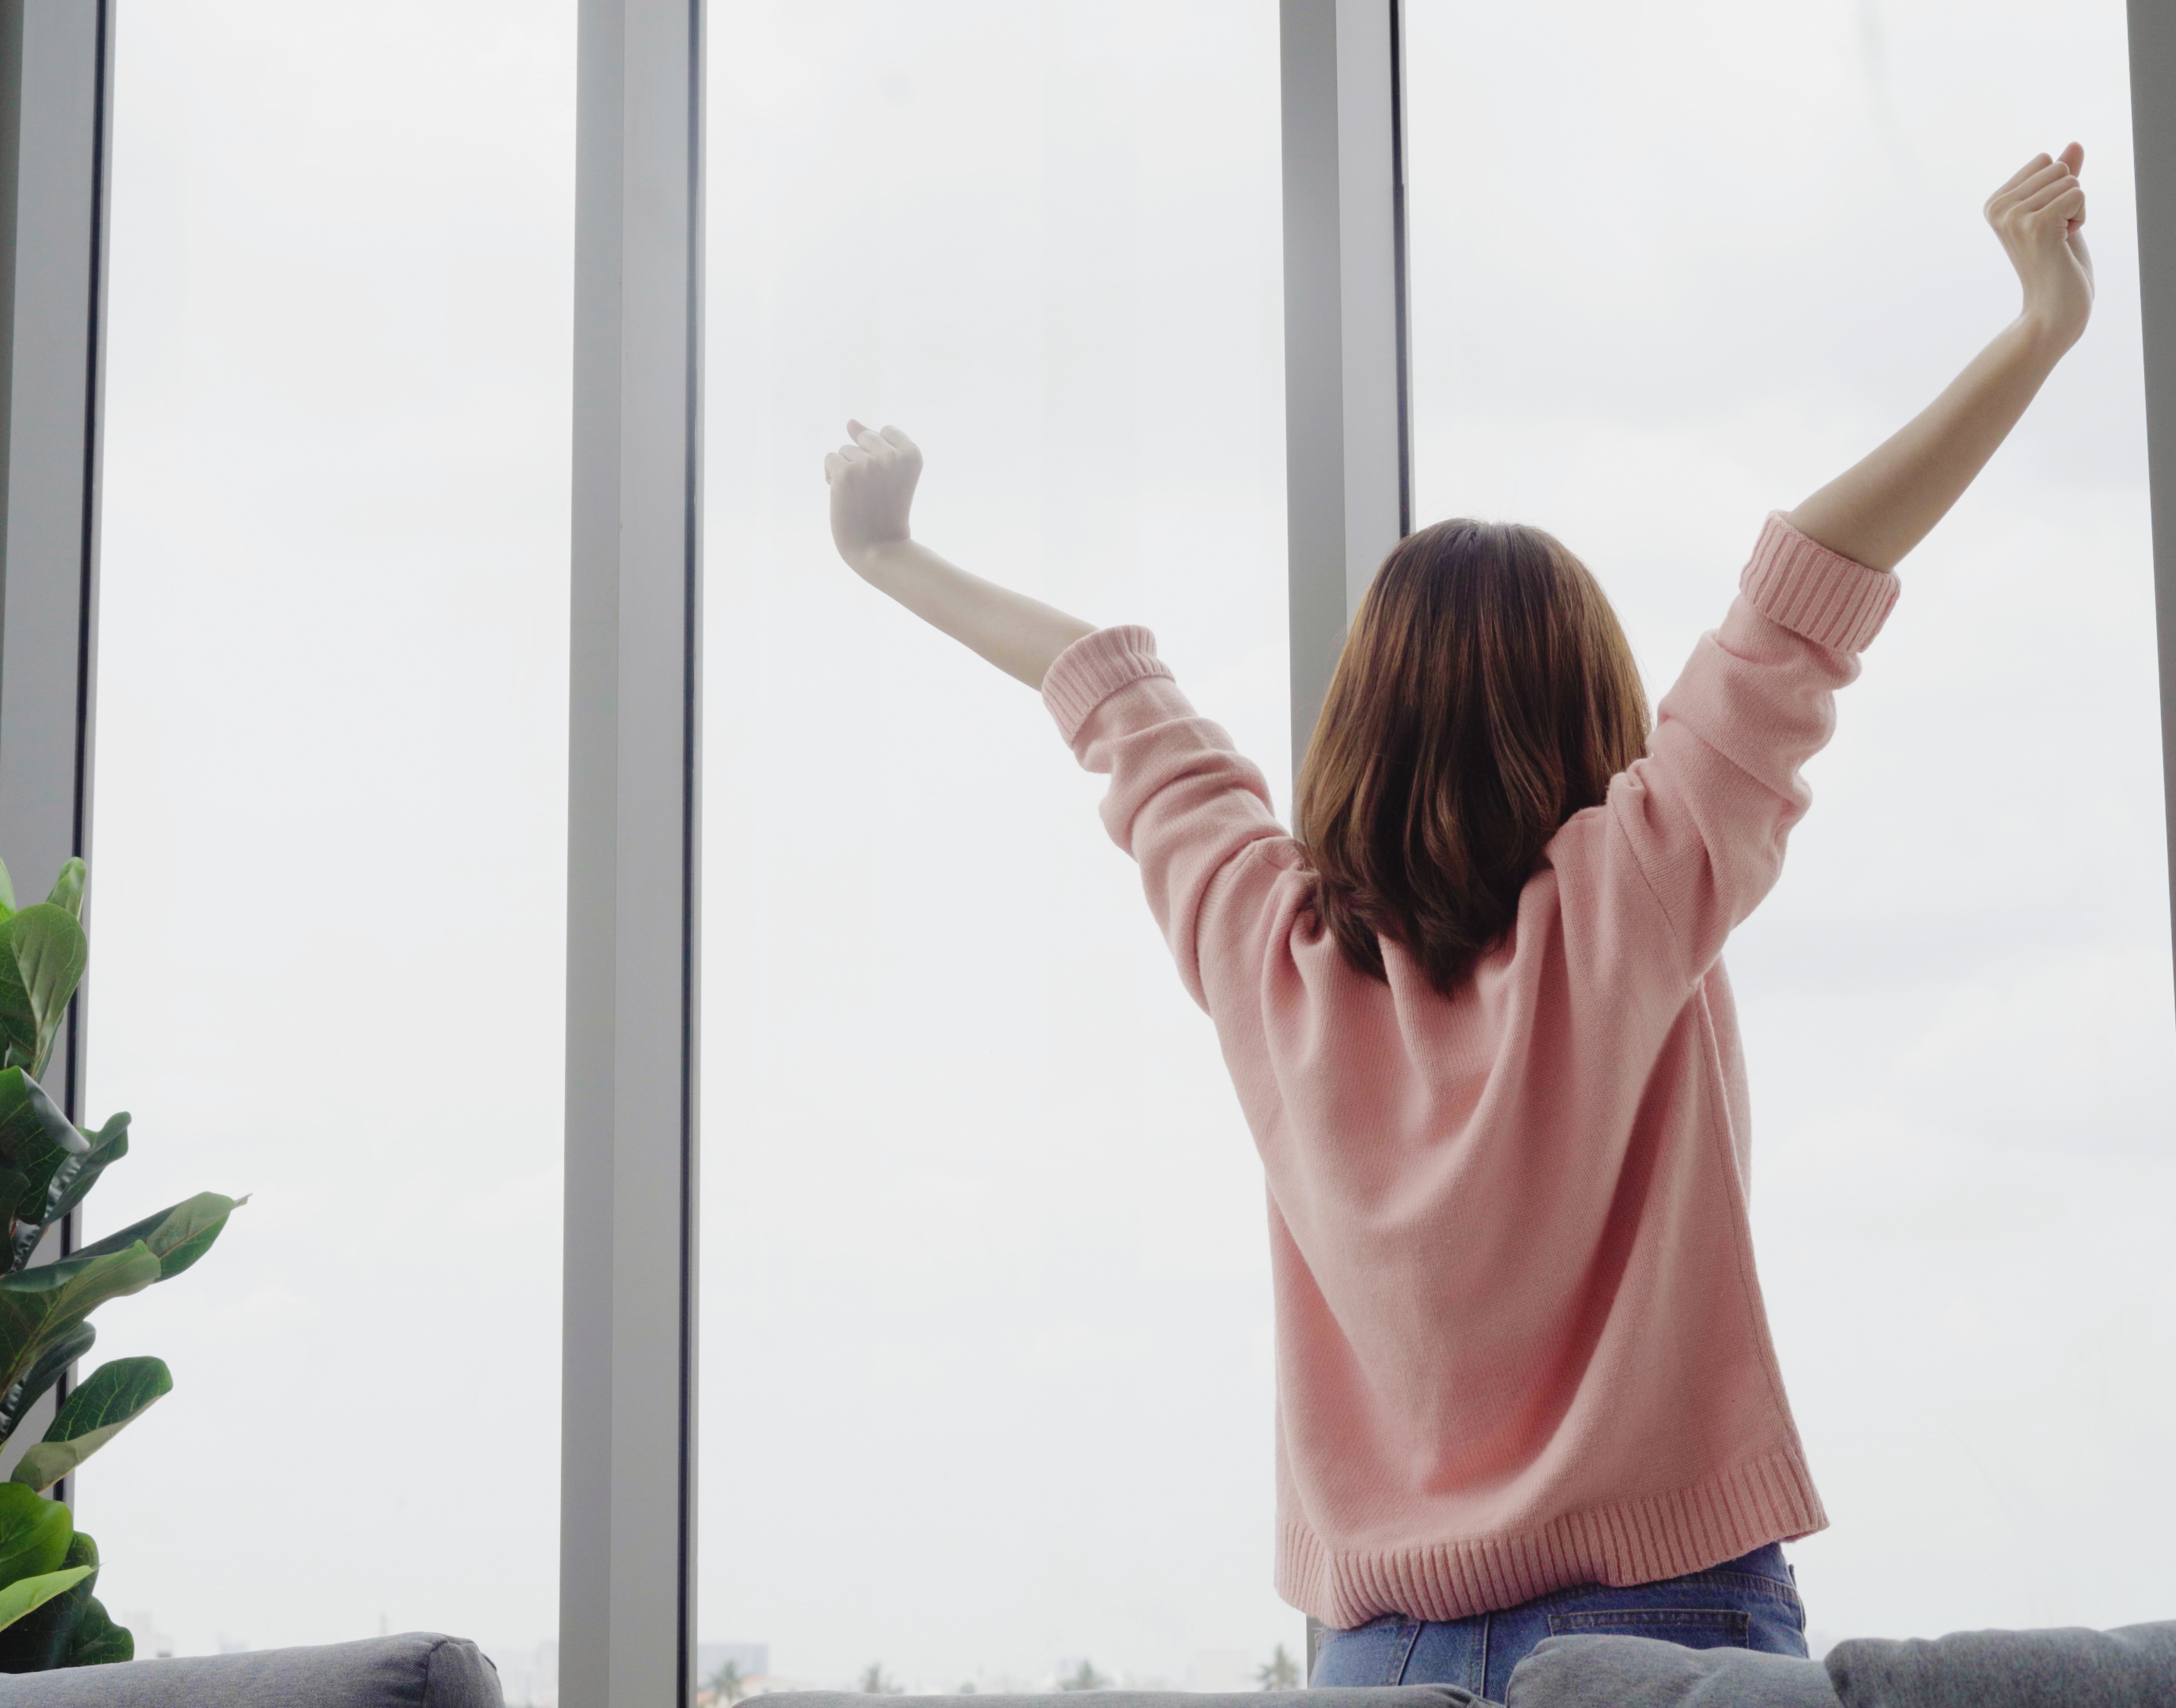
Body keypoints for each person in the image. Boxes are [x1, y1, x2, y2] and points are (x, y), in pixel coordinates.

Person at [820, 146, 2094, 1697]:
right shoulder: (1638, 893)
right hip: (1666, 1624)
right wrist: (2032, 333)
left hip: (1380, 1653)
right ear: (1597, 712)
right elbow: (1803, 589)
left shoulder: (1257, 942)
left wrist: (887, 554)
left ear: (1356, 718)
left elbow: (1104, 689)